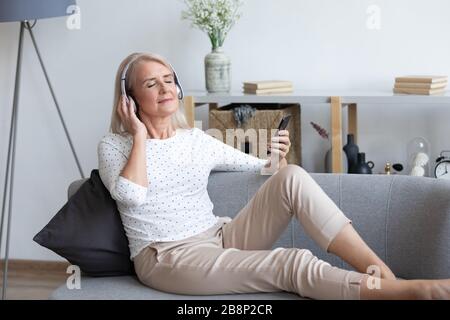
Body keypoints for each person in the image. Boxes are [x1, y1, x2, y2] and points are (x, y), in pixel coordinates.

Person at [97, 52, 450, 300]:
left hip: (220, 237)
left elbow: (260, 169)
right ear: (129, 99)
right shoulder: (115, 146)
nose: (165, 88)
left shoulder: (194, 140)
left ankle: (382, 274)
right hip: (168, 258)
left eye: (169, 80)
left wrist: (274, 158)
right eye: (151, 84)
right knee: (290, 261)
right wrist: (140, 136)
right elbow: (131, 195)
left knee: (291, 176)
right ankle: (412, 292)